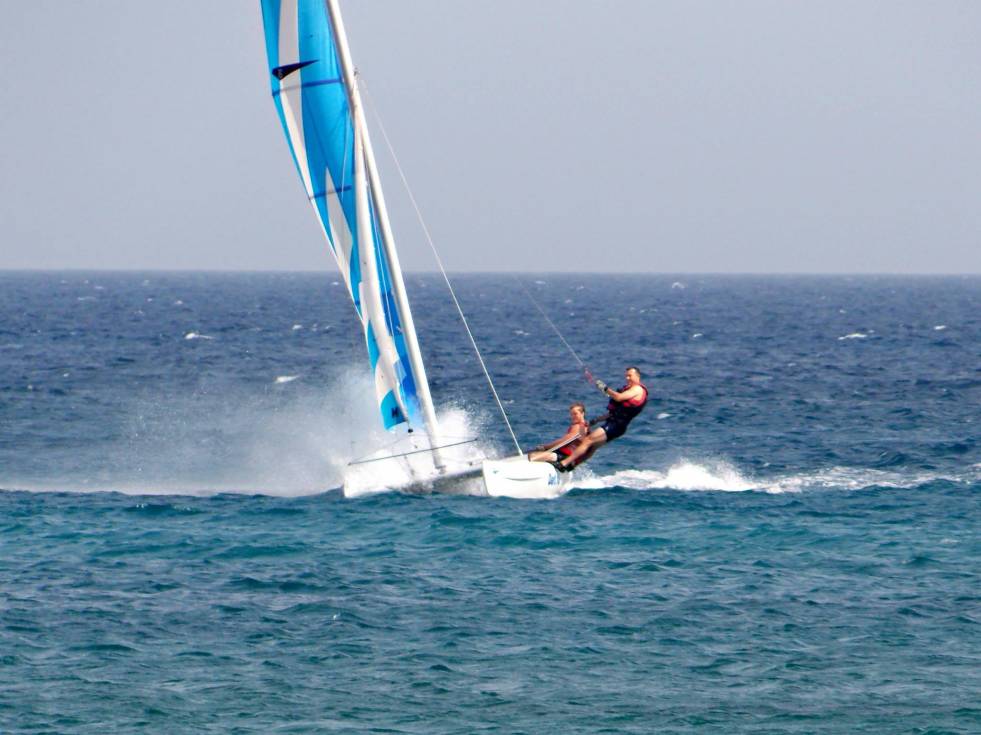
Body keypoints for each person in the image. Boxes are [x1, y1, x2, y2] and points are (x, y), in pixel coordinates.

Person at [555, 366, 648, 472]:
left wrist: (605, 388)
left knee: (588, 440)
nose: (627, 378)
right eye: (626, 376)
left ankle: (563, 463)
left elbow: (618, 397)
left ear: (637, 376)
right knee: (592, 446)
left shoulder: (637, 389)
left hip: (616, 425)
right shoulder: (631, 390)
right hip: (617, 426)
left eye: (630, 376)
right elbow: (612, 413)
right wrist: (596, 420)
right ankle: (572, 466)